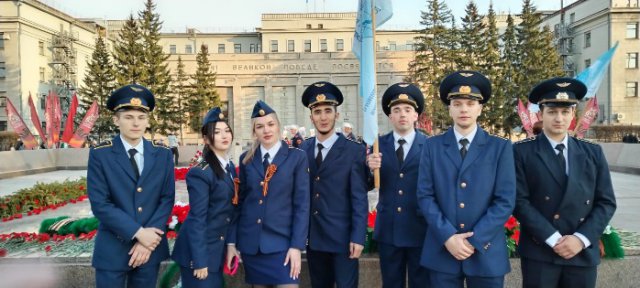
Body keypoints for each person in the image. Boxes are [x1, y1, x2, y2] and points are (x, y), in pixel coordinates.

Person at [513, 77, 617, 288]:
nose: (559, 118)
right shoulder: (521, 152)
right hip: (540, 251)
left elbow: (606, 202)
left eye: (565, 111)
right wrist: (552, 238)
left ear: (573, 114)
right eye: (552, 112)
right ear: (540, 115)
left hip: (581, 252)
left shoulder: (592, 153)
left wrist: (580, 238)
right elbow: (519, 201)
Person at [416, 71, 516, 287]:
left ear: (480, 108)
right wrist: (448, 237)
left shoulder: (499, 147)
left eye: (470, 104)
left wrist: (475, 239)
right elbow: (425, 196)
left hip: (486, 252)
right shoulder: (432, 146)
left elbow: (505, 200)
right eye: (458, 103)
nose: (464, 109)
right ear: (449, 108)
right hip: (443, 251)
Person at [87, 84, 176, 288]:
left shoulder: (162, 154)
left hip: (149, 251)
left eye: (141, 117)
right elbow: (101, 204)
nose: (136, 123)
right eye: (128, 117)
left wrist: (148, 240)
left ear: (147, 121)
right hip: (113, 250)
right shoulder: (101, 154)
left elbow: (166, 198)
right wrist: (139, 233)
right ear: (116, 120)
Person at [226, 100, 310, 288]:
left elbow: (302, 205)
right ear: (254, 131)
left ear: (279, 126)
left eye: (271, 124)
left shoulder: (297, 157)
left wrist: (296, 246)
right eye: (260, 126)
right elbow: (240, 204)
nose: (266, 130)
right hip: (252, 245)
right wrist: (231, 242)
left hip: (283, 244)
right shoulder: (247, 159)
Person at [300, 81, 368, 288]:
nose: (323, 117)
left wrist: (358, 236)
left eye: (328, 110)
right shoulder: (301, 150)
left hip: (343, 239)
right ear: (311, 117)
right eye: (318, 112)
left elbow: (359, 197)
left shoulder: (353, 151)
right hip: (314, 238)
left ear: (336, 115)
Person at [366, 83, 430, 288]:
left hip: (419, 228)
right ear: (390, 116)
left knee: (421, 283)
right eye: (396, 110)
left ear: (415, 115)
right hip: (389, 229)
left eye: (407, 109)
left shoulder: (429, 145)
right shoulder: (377, 145)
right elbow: (367, 185)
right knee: (391, 283)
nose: (402, 114)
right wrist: (369, 169)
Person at [171, 107, 237, 288]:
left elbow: (230, 211)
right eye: (217, 132)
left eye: (227, 131)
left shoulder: (229, 167)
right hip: (200, 254)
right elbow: (197, 218)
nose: (224, 136)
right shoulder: (200, 173)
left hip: (216, 250)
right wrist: (199, 260)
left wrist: (231, 244)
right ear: (206, 139)